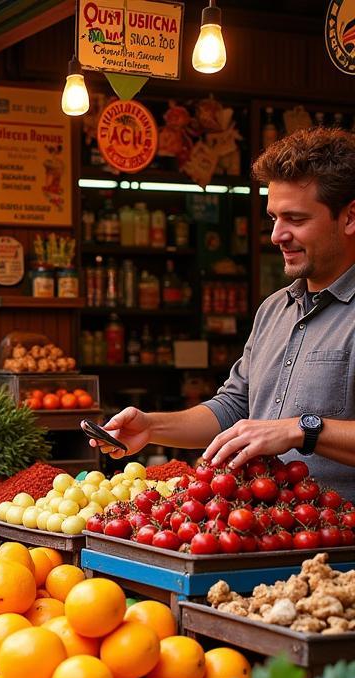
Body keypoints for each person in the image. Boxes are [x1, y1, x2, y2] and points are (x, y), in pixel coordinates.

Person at [90, 127, 355, 497]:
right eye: (273, 218)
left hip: (338, 541)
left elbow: (289, 429)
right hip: (262, 534)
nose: (277, 235)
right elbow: (233, 406)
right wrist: (152, 426)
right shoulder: (274, 310)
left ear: (349, 218)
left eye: (295, 219)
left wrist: (303, 429)